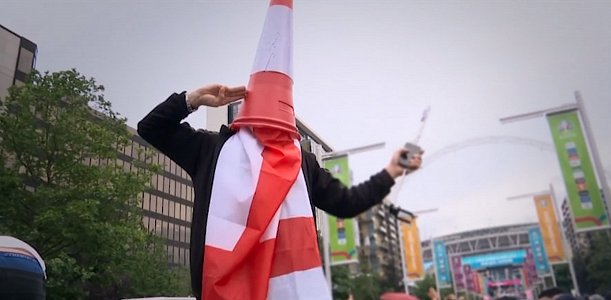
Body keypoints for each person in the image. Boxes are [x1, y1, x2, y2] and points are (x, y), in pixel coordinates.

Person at [137, 84, 423, 299]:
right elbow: (151, 128)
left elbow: (347, 203)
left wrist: (392, 171)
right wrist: (193, 100)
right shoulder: (212, 150)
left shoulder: (302, 163)